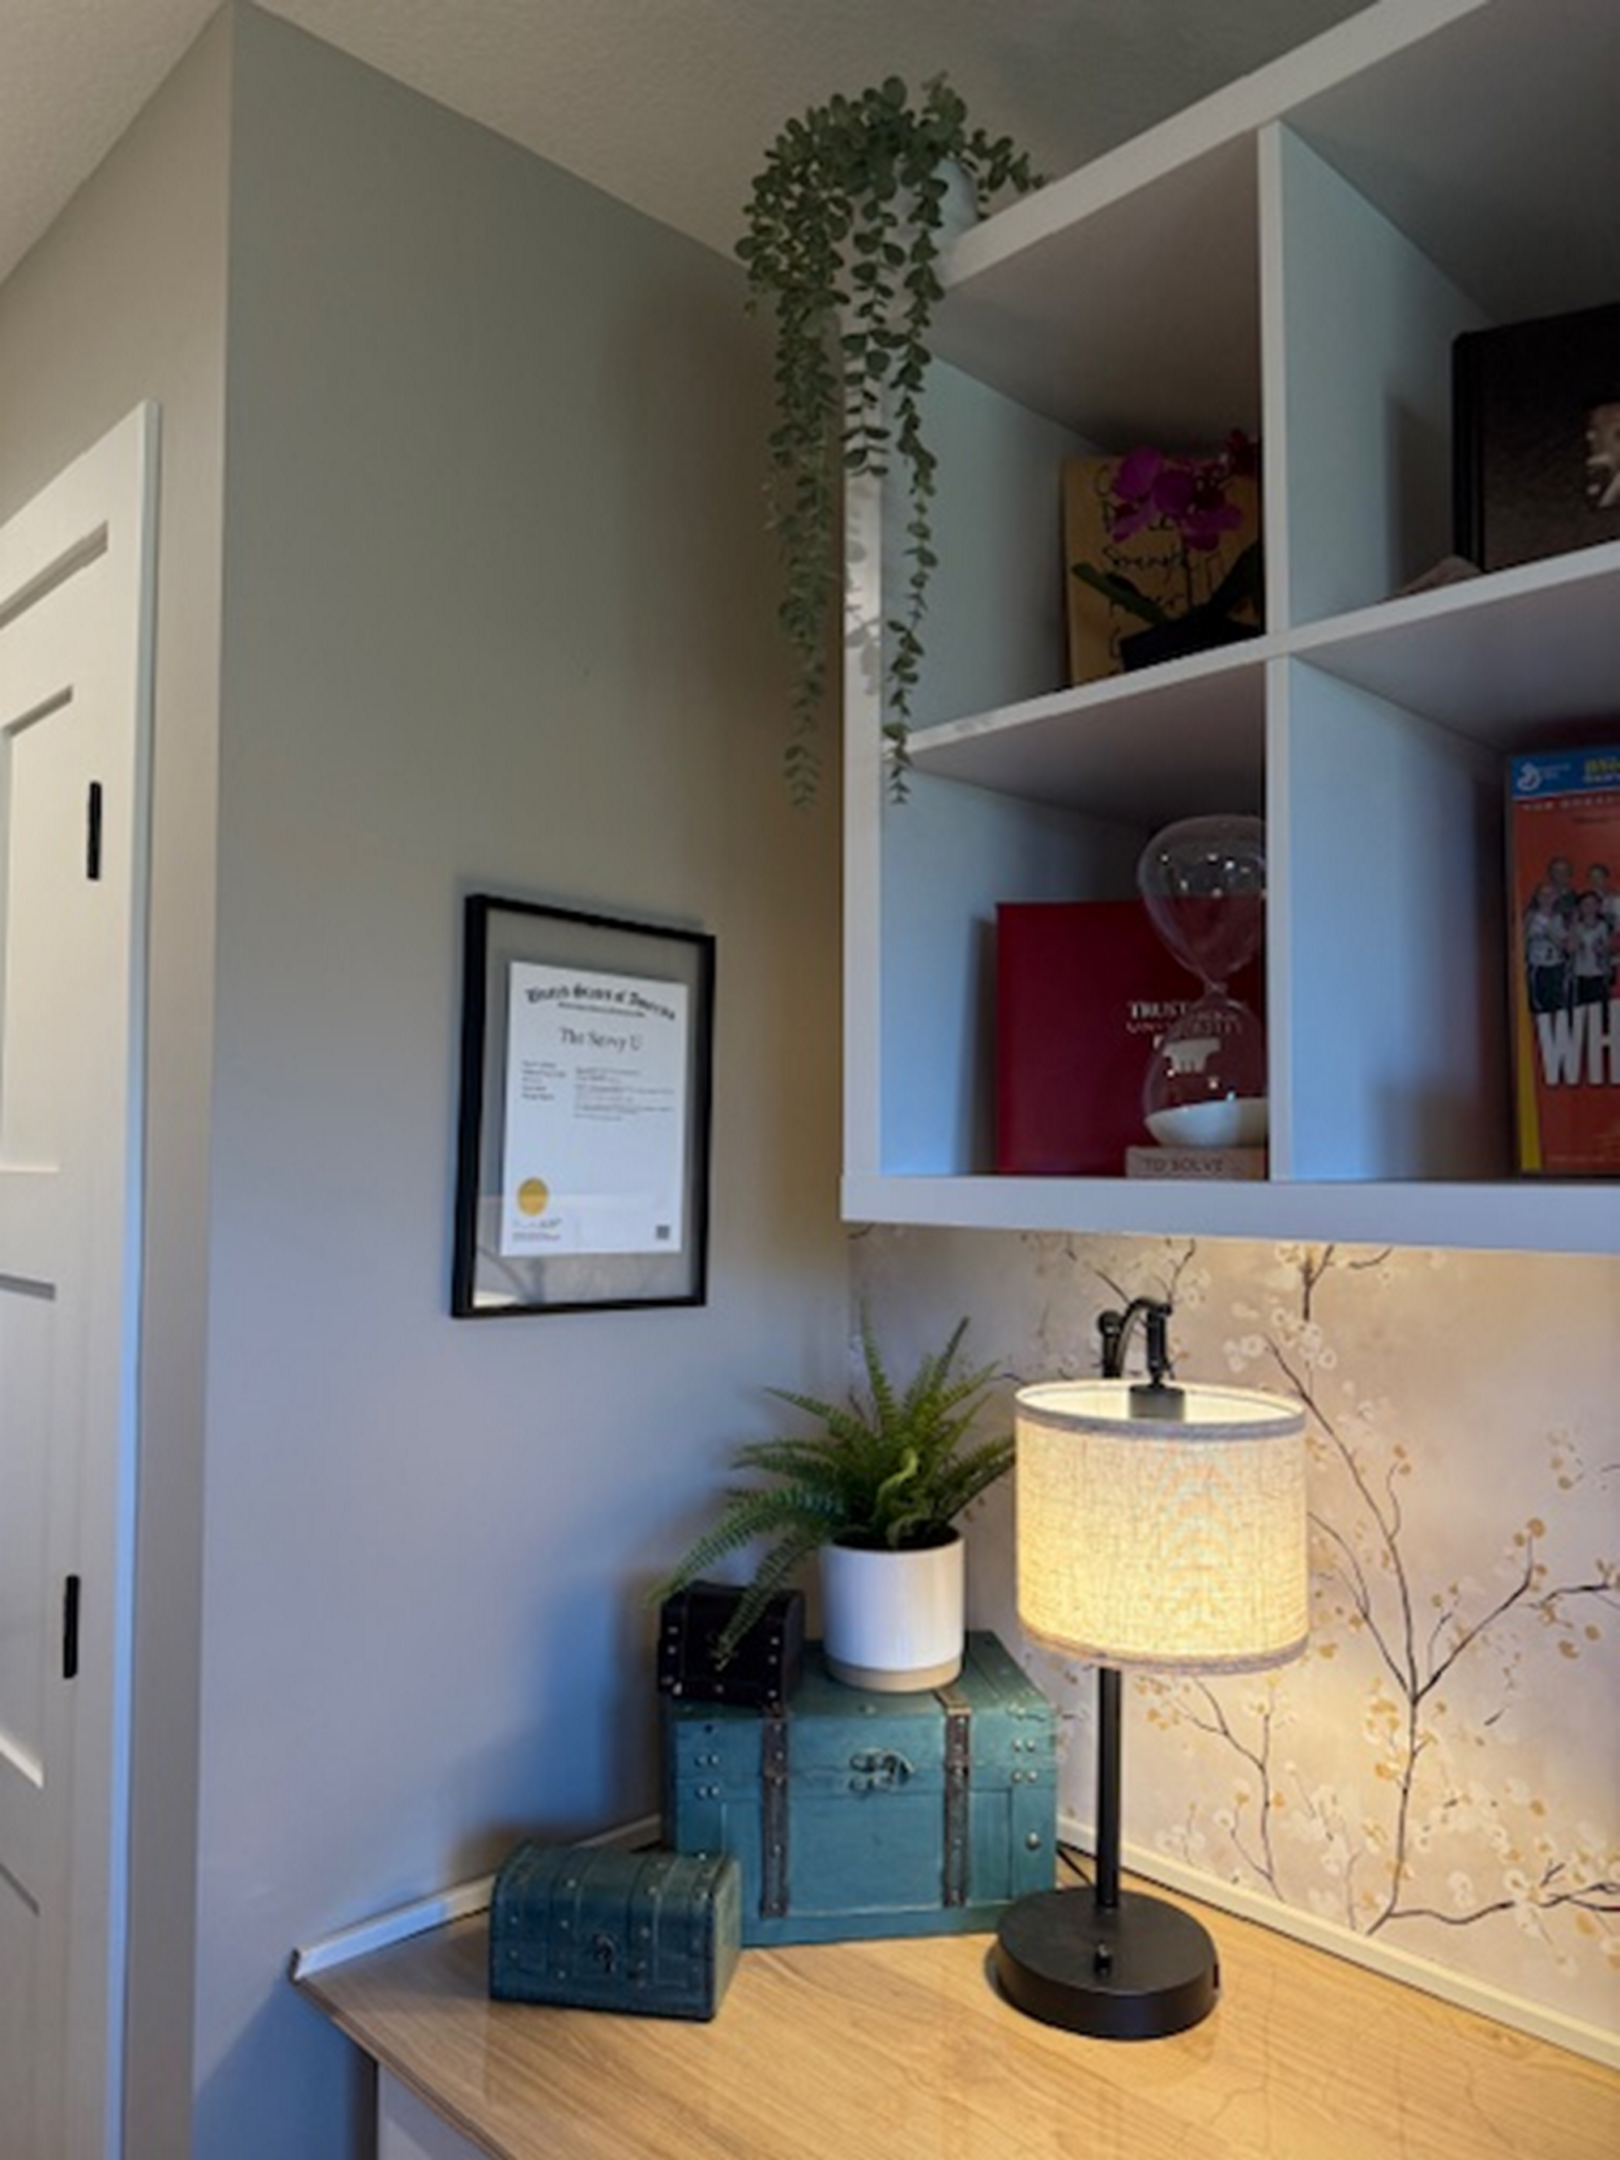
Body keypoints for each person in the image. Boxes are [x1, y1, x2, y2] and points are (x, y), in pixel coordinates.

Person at [1568, 890, 1612, 1006]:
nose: (1590, 908)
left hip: (1599, 975)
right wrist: (1573, 924)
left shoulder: (1603, 926)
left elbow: (1608, 949)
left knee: (1600, 1008)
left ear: (1599, 906)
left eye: (1593, 904)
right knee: (1583, 1009)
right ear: (1579, 907)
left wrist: (1603, 950)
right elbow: (1570, 949)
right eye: (1585, 904)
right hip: (1581, 975)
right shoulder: (1576, 927)